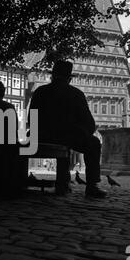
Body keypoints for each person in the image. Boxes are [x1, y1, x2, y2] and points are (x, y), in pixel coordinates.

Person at [29, 60, 107, 199]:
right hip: (69, 137)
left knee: (65, 146)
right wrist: (81, 133)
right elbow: (89, 123)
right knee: (94, 143)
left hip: (43, 135)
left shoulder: (40, 92)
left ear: (52, 76)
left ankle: (63, 184)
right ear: (69, 79)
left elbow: (31, 119)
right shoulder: (76, 94)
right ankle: (91, 186)